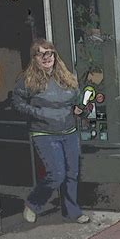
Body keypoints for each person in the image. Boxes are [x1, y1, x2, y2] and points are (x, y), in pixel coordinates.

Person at [12, 38, 90, 224]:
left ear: (55, 55)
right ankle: (33, 203)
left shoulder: (66, 77)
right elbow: (17, 103)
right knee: (56, 174)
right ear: (35, 58)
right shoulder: (27, 80)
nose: (46, 57)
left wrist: (81, 109)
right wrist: (39, 113)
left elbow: (78, 100)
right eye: (41, 54)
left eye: (50, 53)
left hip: (68, 131)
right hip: (44, 134)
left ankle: (72, 212)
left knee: (72, 174)